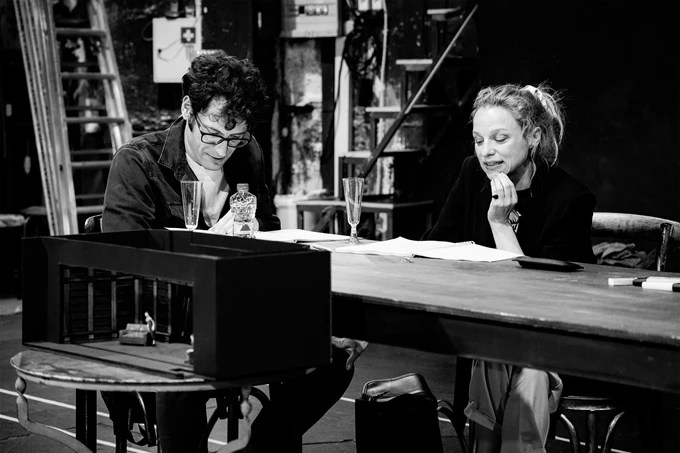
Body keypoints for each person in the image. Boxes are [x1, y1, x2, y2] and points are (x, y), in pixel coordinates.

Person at [102, 52, 367, 452]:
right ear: (187, 109)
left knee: (332, 357)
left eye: (236, 137)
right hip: (165, 320)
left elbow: (274, 239)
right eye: (212, 135)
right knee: (185, 367)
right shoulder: (138, 162)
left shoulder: (248, 153)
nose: (222, 150)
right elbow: (124, 265)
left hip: (238, 311)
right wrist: (209, 244)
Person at [424, 82, 596, 452]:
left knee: (520, 360)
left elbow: (539, 297)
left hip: (552, 335)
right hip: (491, 329)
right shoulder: (472, 174)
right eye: (478, 140)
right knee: (507, 352)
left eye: (500, 138)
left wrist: (500, 224)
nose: (486, 152)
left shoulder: (570, 199)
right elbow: (437, 244)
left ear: (533, 137)